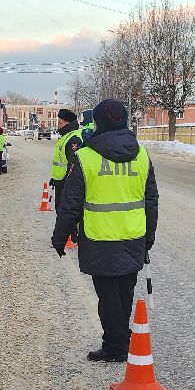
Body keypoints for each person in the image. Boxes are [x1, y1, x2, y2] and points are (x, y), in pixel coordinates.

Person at [51, 98, 158, 362]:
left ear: (98, 123)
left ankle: (116, 346)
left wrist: (60, 236)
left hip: (100, 238)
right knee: (124, 292)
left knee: (107, 296)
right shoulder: (142, 154)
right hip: (133, 235)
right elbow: (151, 200)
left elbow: (71, 204)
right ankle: (120, 341)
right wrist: (149, 235)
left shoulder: (85, 157)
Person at [48, 108, 84, 207]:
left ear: (68, 123)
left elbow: (73, 163)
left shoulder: (73, 139)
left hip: (67, 184)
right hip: (61, 182)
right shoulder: (66, 136)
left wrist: (68, 184)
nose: (58, 126)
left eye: (60, 123)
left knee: (65, 213)